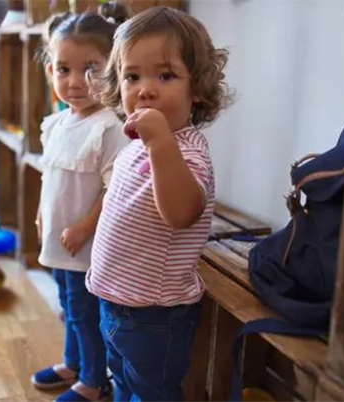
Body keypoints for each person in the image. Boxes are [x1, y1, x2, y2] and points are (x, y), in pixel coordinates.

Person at [85, 6, 233, 401]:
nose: (145, 89)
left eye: (165, 75)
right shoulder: (137, 145)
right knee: (124, 383)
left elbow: (182, 212)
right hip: (115, 304)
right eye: (132, 76)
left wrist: (159, 141)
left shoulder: (185, 152)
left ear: (197, 88)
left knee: (153, 393)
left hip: (154, 316)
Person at [30, 3, 130, 402]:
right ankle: (72, 363)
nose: (73, 81)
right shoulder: (57, 123)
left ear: (112, 68)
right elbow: (50, 177)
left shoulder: (109, 126)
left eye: (89, 68)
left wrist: (85, 226)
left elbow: (114, 189)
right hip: (59, 239)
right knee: (67, 306)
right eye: (62, 68)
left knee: (85, 313)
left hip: (86, 245)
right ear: (50, 69)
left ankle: (93, 380)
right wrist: (42, 216)